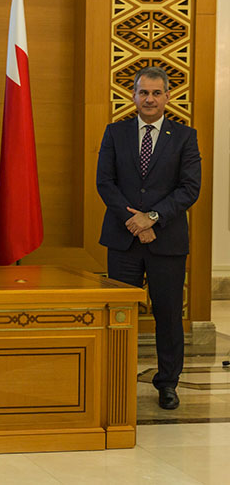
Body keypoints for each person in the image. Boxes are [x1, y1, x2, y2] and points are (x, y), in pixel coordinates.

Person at [96, 66, 200, 411]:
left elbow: (189, 188)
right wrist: (135, 222)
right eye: (144, 92)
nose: (150, 99)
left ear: (168, 96)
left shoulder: (184, 136)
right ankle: (118, 379)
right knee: (119, 315)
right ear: (133, 96)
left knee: (168, 316)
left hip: (167, 242)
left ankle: (167, 383)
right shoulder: (115, 133)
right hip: (123, 241)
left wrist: (152, 218)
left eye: (157, 93)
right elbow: (105, 183)